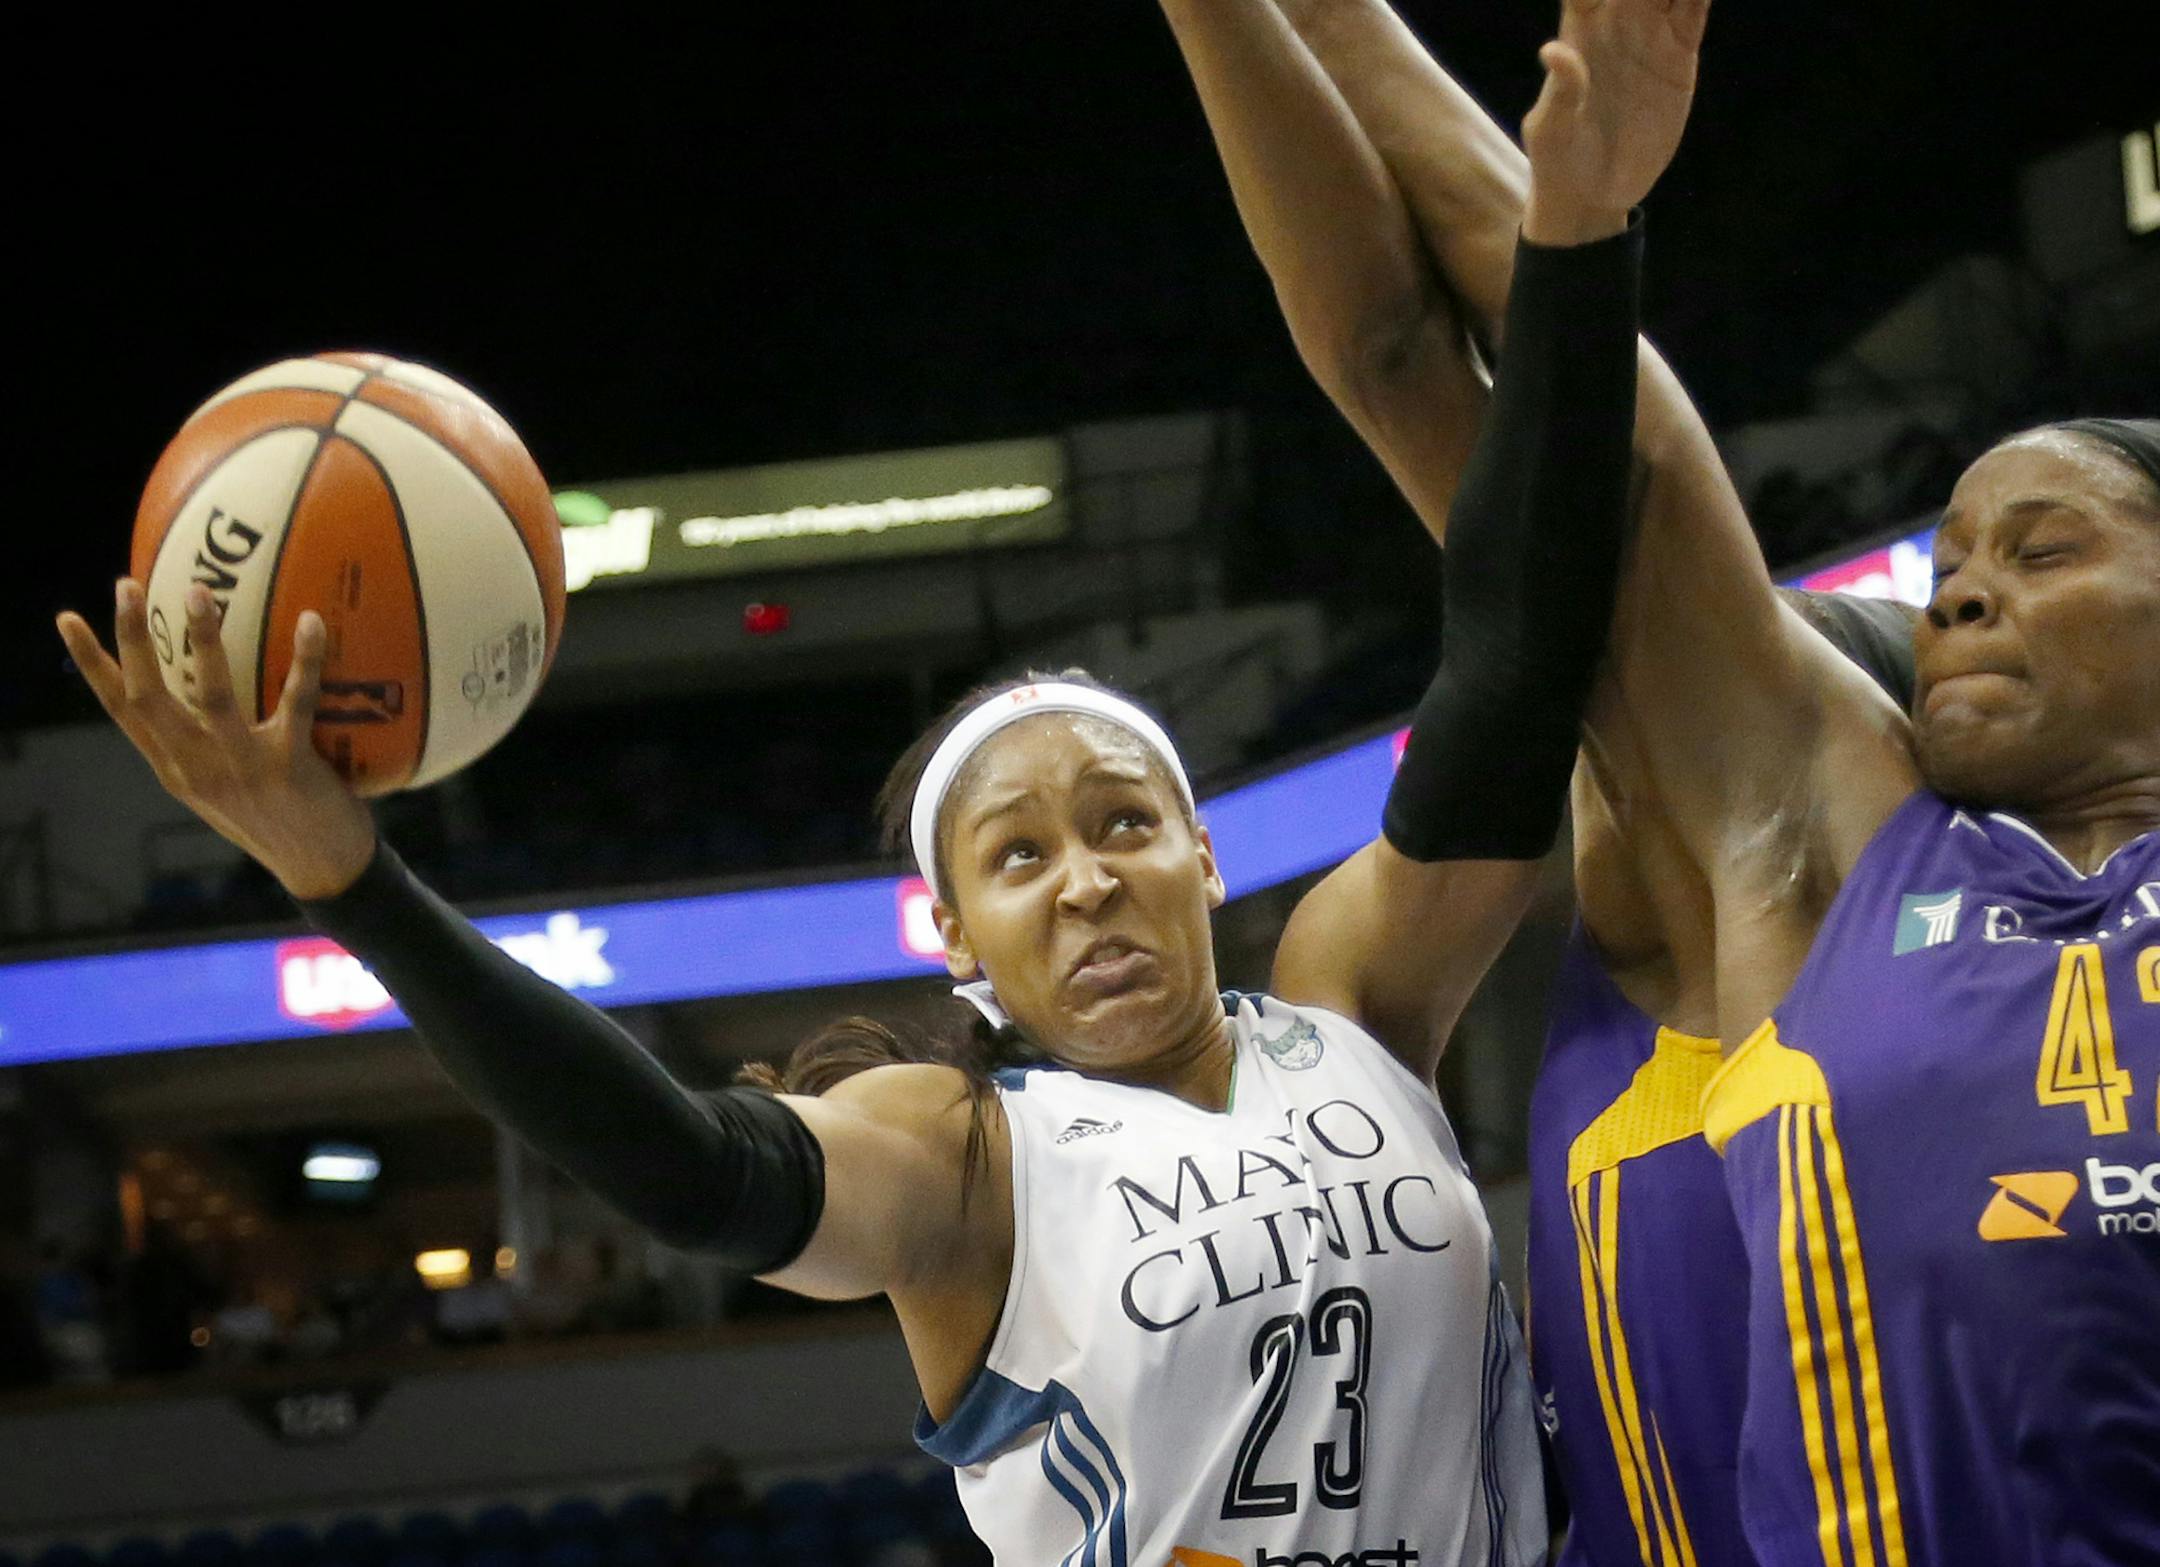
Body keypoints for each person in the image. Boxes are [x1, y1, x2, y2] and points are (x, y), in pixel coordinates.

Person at [52, 2, 1692, 1555]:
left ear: (1202, 858)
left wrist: (1576, 238)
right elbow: (697, 1176)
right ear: (957, 940)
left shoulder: (1350, 1009)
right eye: (1020, 856)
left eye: (1123, 822)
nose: (1088, 874)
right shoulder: (968, 1157)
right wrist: (358, 886)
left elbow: (1515, 659)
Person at [1157, 2, 1911, 1561]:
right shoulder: (1680, 893)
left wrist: (1578, 219)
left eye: (2031, 555)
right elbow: (1402, 372)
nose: (1968, 586)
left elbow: (1517, 414)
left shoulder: (1818, 835)